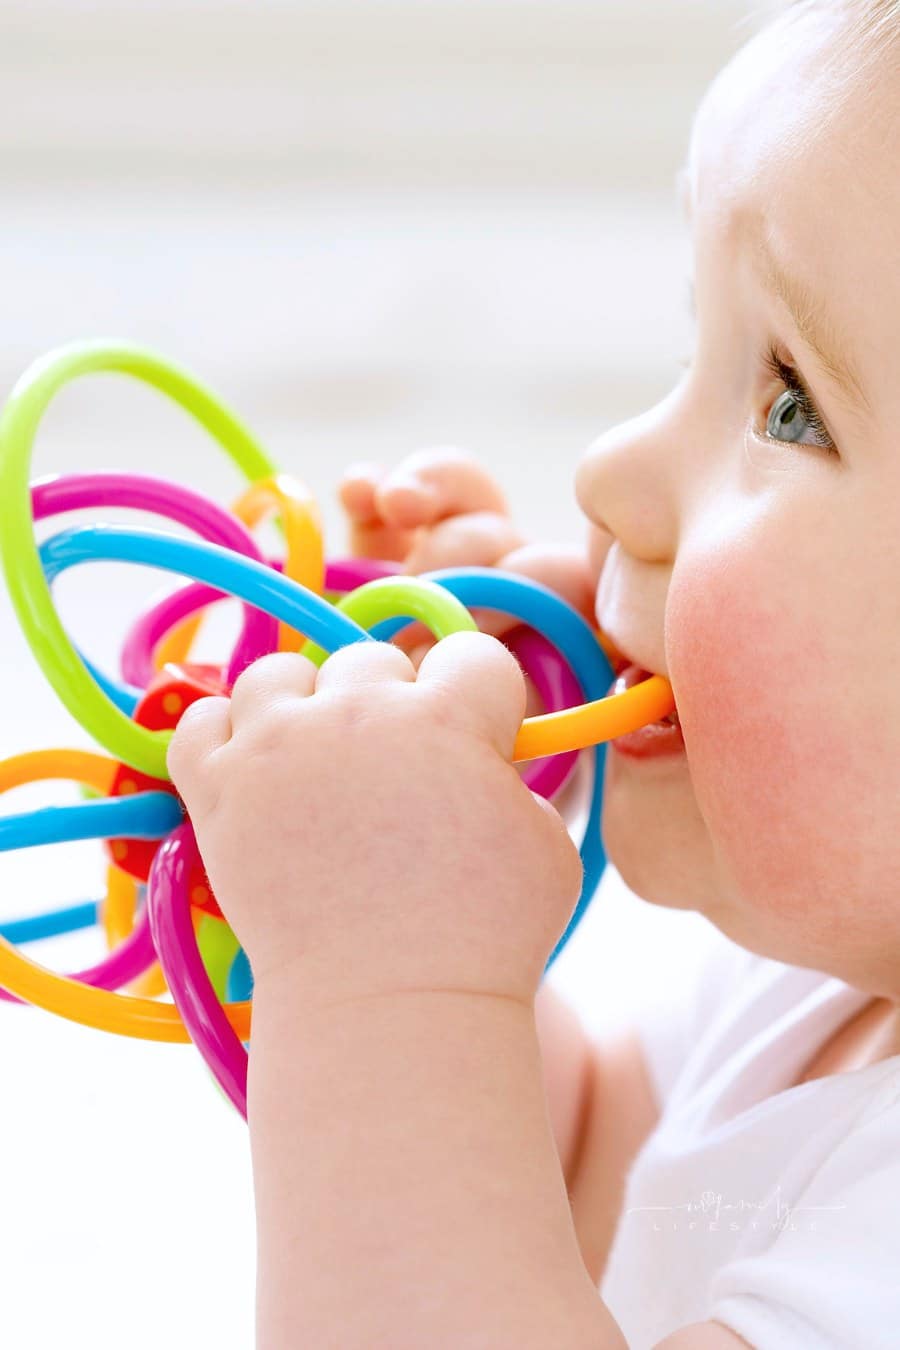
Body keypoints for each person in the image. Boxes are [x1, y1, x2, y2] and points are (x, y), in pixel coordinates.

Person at [167, 1, 900, 1344]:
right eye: (693, 346)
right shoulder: (833, 976)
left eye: (790, 405)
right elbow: (590, 1170)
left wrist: (386, 986)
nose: (608, 470)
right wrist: (398, 897)